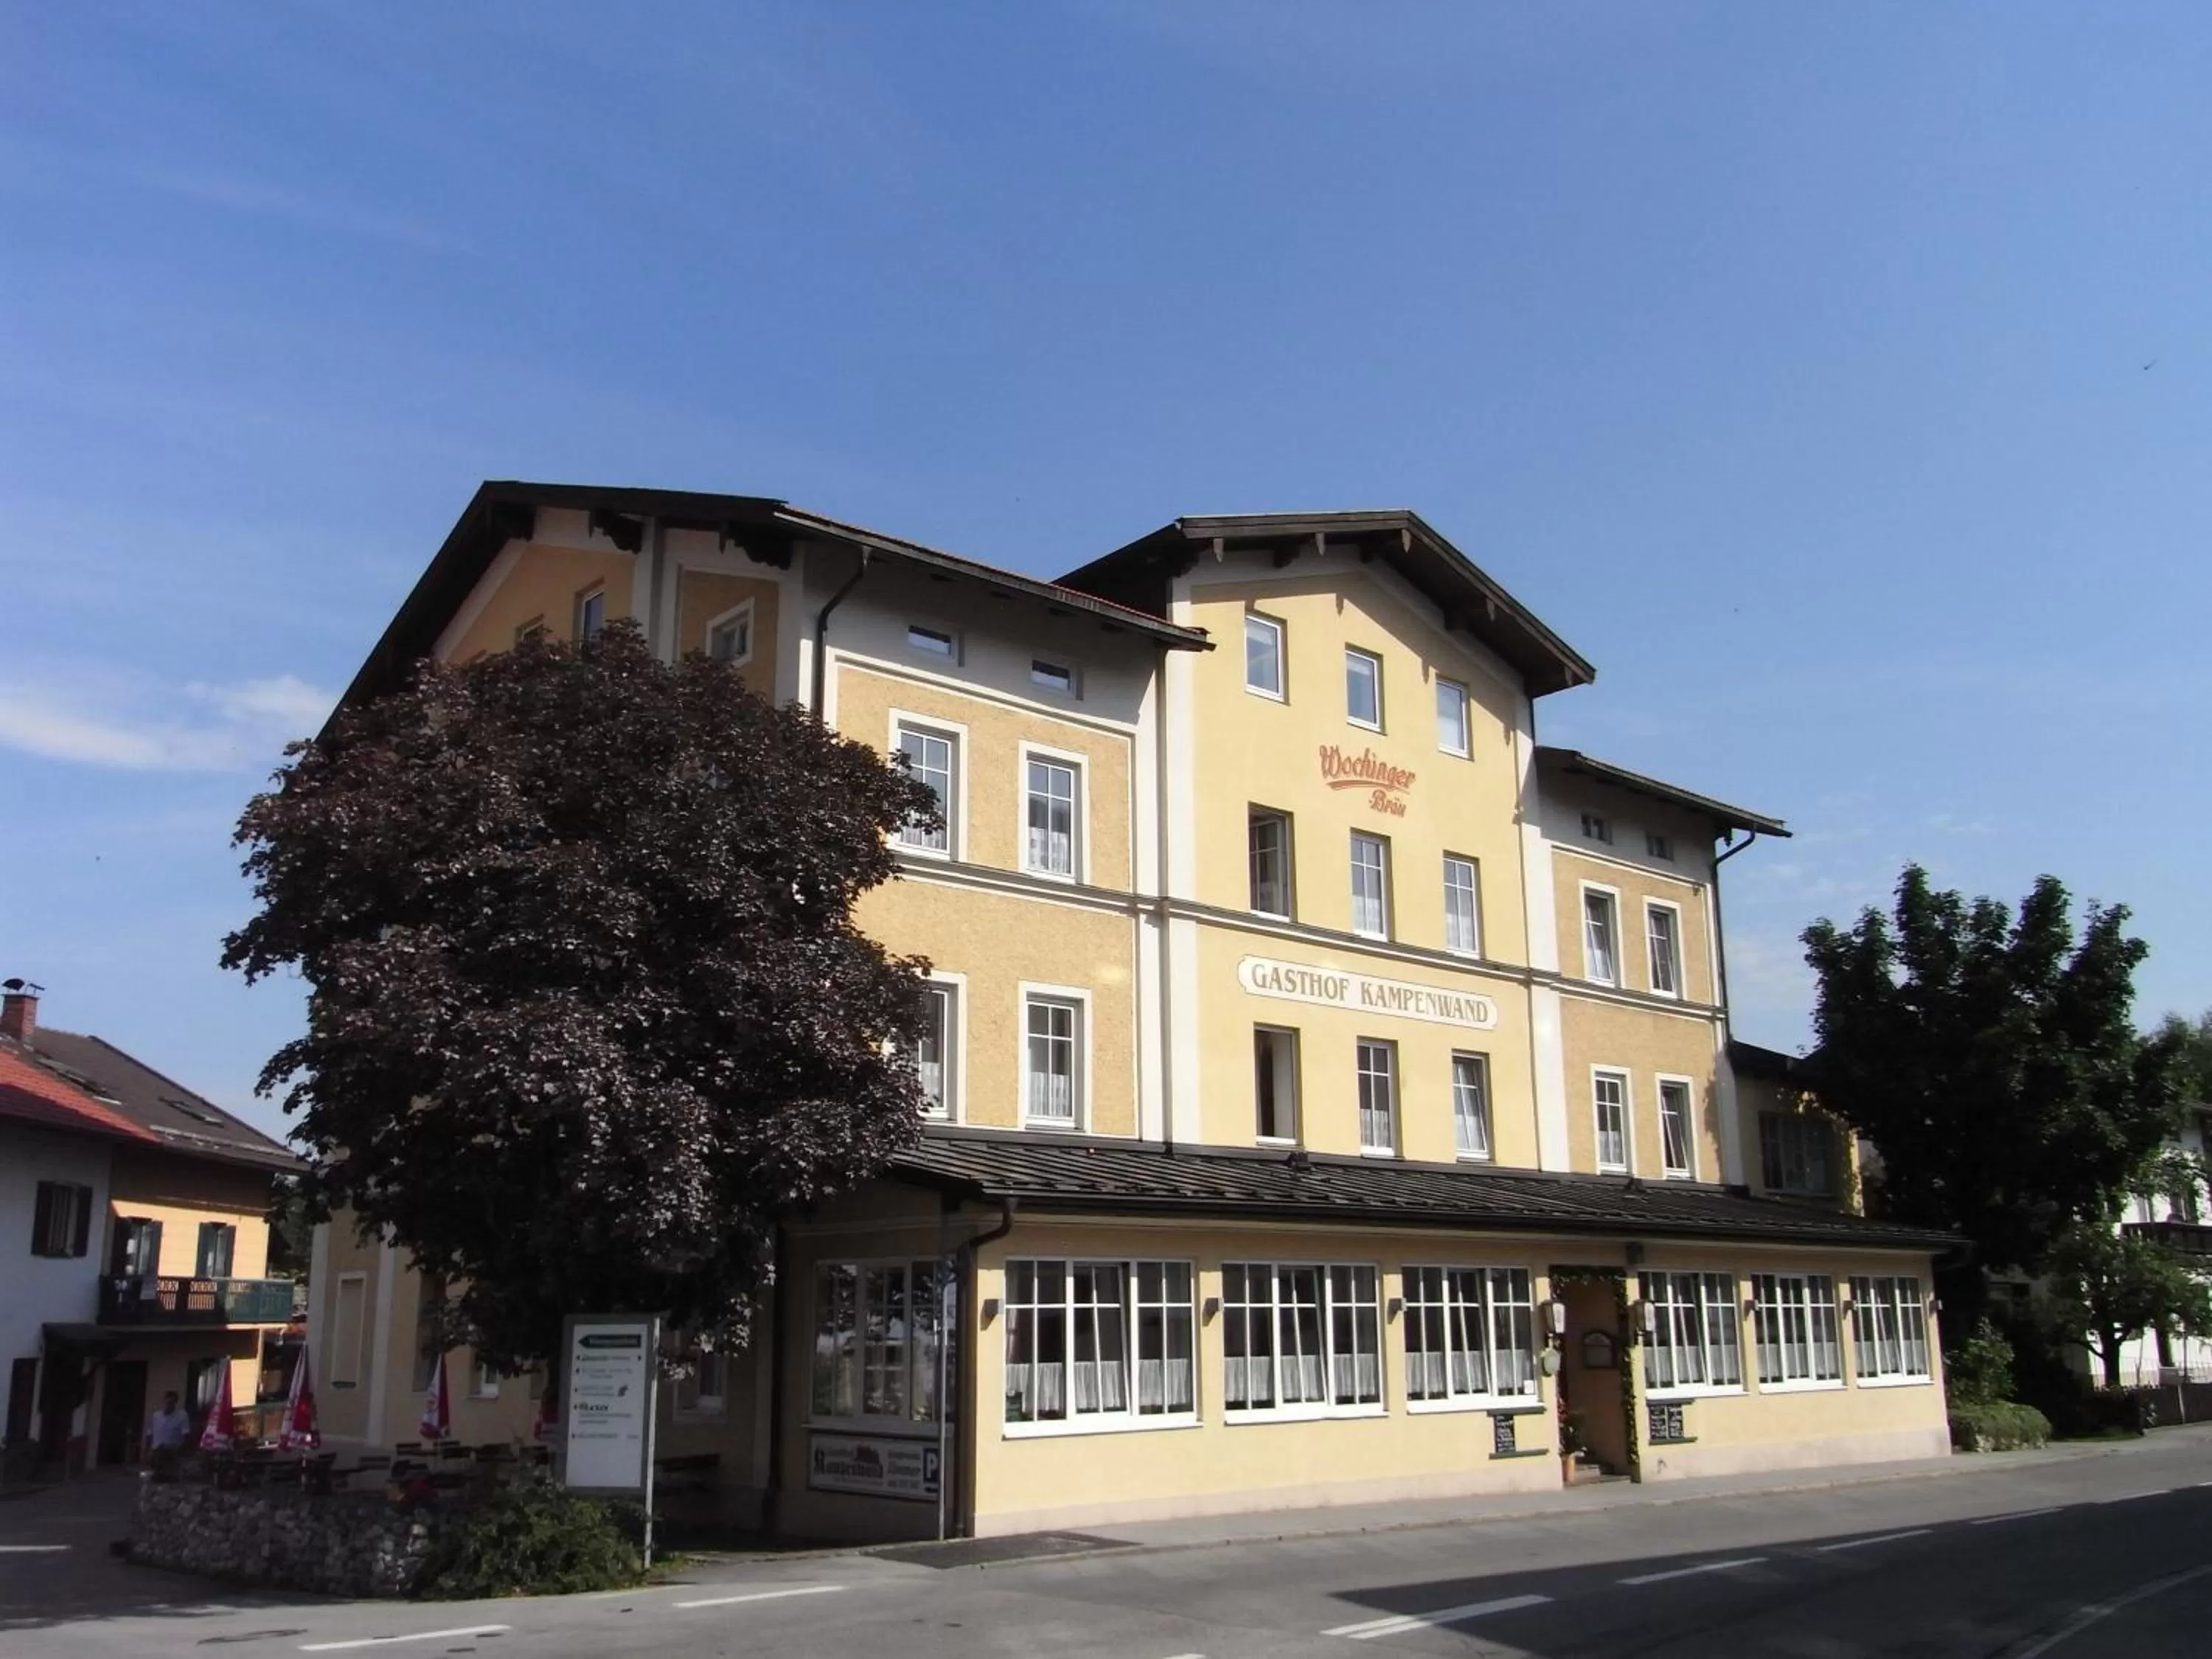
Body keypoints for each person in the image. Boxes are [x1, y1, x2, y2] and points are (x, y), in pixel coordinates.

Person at [145, 1390, 192, 1481]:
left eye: (172, 1402)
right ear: (165, 1401)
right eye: (168, 1402)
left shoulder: (181, 1416)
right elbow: (149, 1434)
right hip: (158, 1451)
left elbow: (186, 1434)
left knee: (172, 1478)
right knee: (157, 1477)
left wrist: (182, 1450)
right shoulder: (156, 1416)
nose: (170, 1405)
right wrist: (147, 1451)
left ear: (175, 1403)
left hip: (172, 1451)